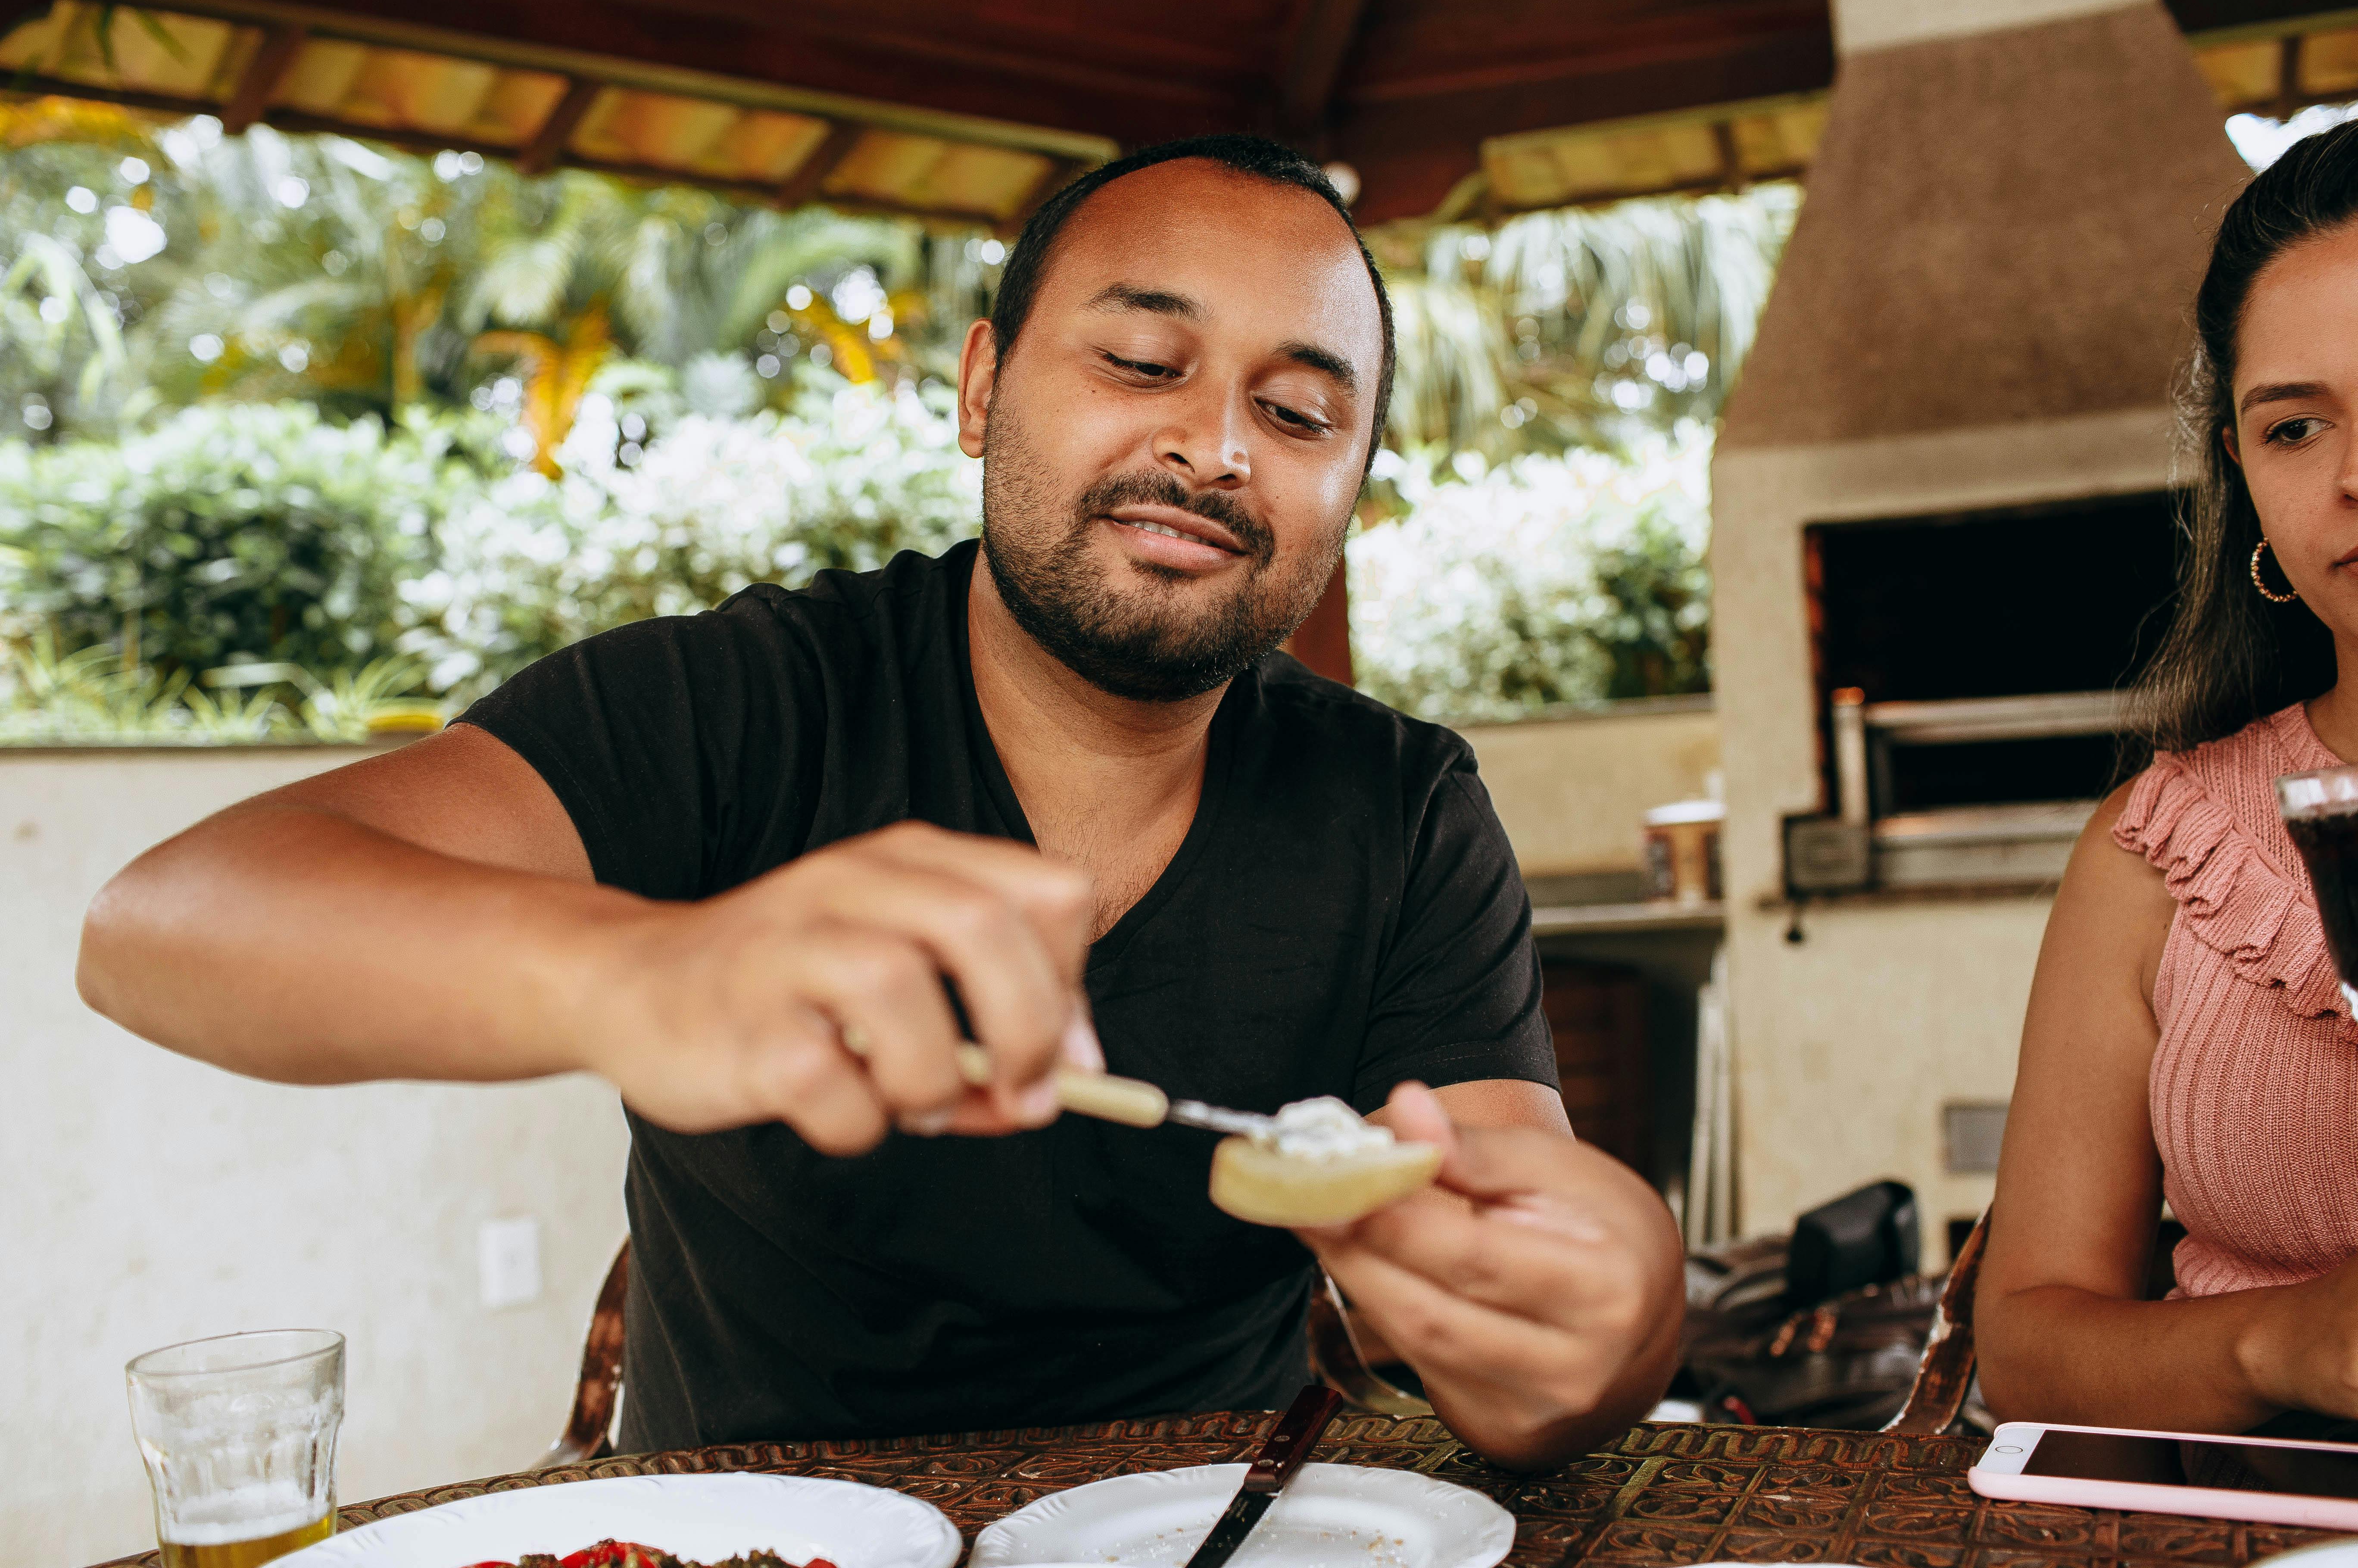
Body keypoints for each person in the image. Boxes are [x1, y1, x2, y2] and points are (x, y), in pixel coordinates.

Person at [79, 136, 1683, 1468]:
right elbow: (160, 925)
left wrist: (1598, 1333)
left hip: (1209, 1528)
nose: (1211, 445)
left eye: (1299, 412)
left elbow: (1504, 1244)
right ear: (982, 389)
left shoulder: (1395, 804)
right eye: (1142, 361)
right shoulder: (740, 706)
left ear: (1351, 486)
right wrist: (645, 971)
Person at [1978, 121, 2358, 1435]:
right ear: (2245, 477)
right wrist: (2280, 1345)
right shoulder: (2162, 852)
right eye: (2297, 426)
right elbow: (2025, 1341)